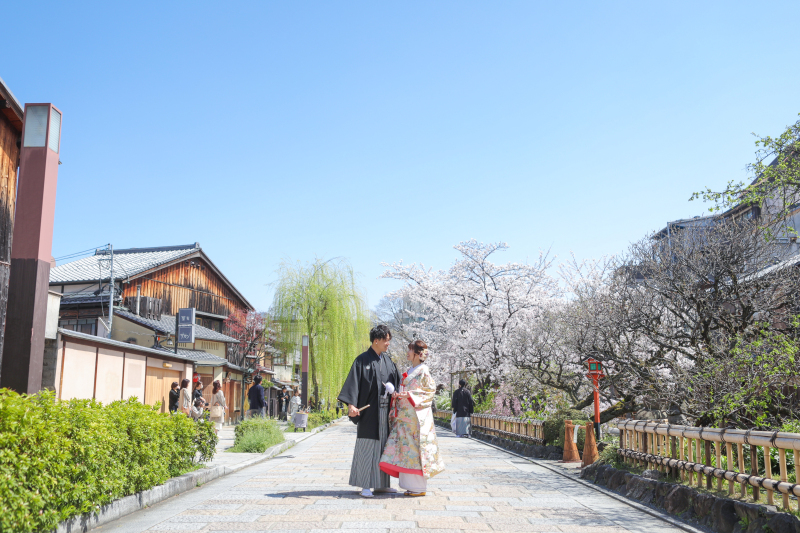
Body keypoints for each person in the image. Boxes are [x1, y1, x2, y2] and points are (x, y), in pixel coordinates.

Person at [337, 325, 401, 498]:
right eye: (386, 340)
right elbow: (354, 383)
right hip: (369, 411)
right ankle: (365, 484)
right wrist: (351, 405)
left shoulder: (388, 362)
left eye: (389, 340)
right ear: (376, 341)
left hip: (386, 411)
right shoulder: (362, 360)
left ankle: (382, 485)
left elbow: (397, 382)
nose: (388, 343)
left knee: (383, 447)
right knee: (367, 445)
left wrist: (395, 390)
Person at [379, 340, 445, 496]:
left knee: (415, 450)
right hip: (405, 417)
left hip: (416, 418)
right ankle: (411, 486)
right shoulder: (411, 369)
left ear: (417, 354)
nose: (407, 352)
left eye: (410, 350)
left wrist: (409, 394)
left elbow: (430, 392)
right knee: (406, 450)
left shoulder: (423, 371)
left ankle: (419, 487)